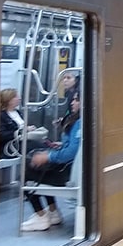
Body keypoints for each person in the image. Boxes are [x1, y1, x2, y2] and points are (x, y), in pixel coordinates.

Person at [21, 76, 82, 232]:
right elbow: (72, 147)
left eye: (76, 100)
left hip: (66, 174)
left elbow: (71, 153)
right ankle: (53, 212)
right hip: (68, 168)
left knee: (27, 170)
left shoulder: (80, 123)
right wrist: (60, 145)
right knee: (41, 166)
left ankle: (40, 215)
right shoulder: (79, 121)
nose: (73, 103)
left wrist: (47, 156)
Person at [0, 88, 38, 158]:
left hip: (24, 140)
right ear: (8, 100)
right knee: (38, 148)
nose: (19, 98)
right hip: (12, 145)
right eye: (16, 97)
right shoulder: (1, 115)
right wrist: (21, 131)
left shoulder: (18, 112)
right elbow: (2, 135)